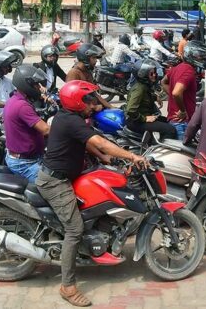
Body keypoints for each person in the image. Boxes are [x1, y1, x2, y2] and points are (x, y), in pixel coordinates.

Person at [38, 80, 148, 306]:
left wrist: (104, 158)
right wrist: (131, 156)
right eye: (88, 100)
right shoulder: (70, 120)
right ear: (77, 101)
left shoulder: (70, 118)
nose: (93, 104)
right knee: (74, 229)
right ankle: (67, 287)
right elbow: (99, 141)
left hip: (65, 176)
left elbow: (87, 143)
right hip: (55, 182)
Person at [4, 65, 51, 182]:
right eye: (36, 85)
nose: (39, 88)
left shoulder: (15, 99)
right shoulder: (22, 105)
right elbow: (46, 130)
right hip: (25, 163)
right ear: (27, 85)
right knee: (54, 186)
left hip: (27, 158)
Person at [125, 59, 177, 139]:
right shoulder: (139, 88)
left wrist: (155, 97)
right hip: (136, 121)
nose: (154, 75)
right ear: (143, 75)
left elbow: (144, 98)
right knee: (170, 130)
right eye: (151, 74)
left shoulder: (145, 86)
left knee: (169, 121)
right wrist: (144, 118)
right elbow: (130, 110)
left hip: (143, 117)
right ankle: (162, 150)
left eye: (154, 73)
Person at [66, 43, 112, 109]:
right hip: (80, 114)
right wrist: (94, 107)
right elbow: (71, 99)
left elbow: (94, 94)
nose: (96, 61)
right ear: (85, 58)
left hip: (90, 109)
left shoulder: (87, 71)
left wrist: (111, 107)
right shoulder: (74, 73)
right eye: (93, 58)